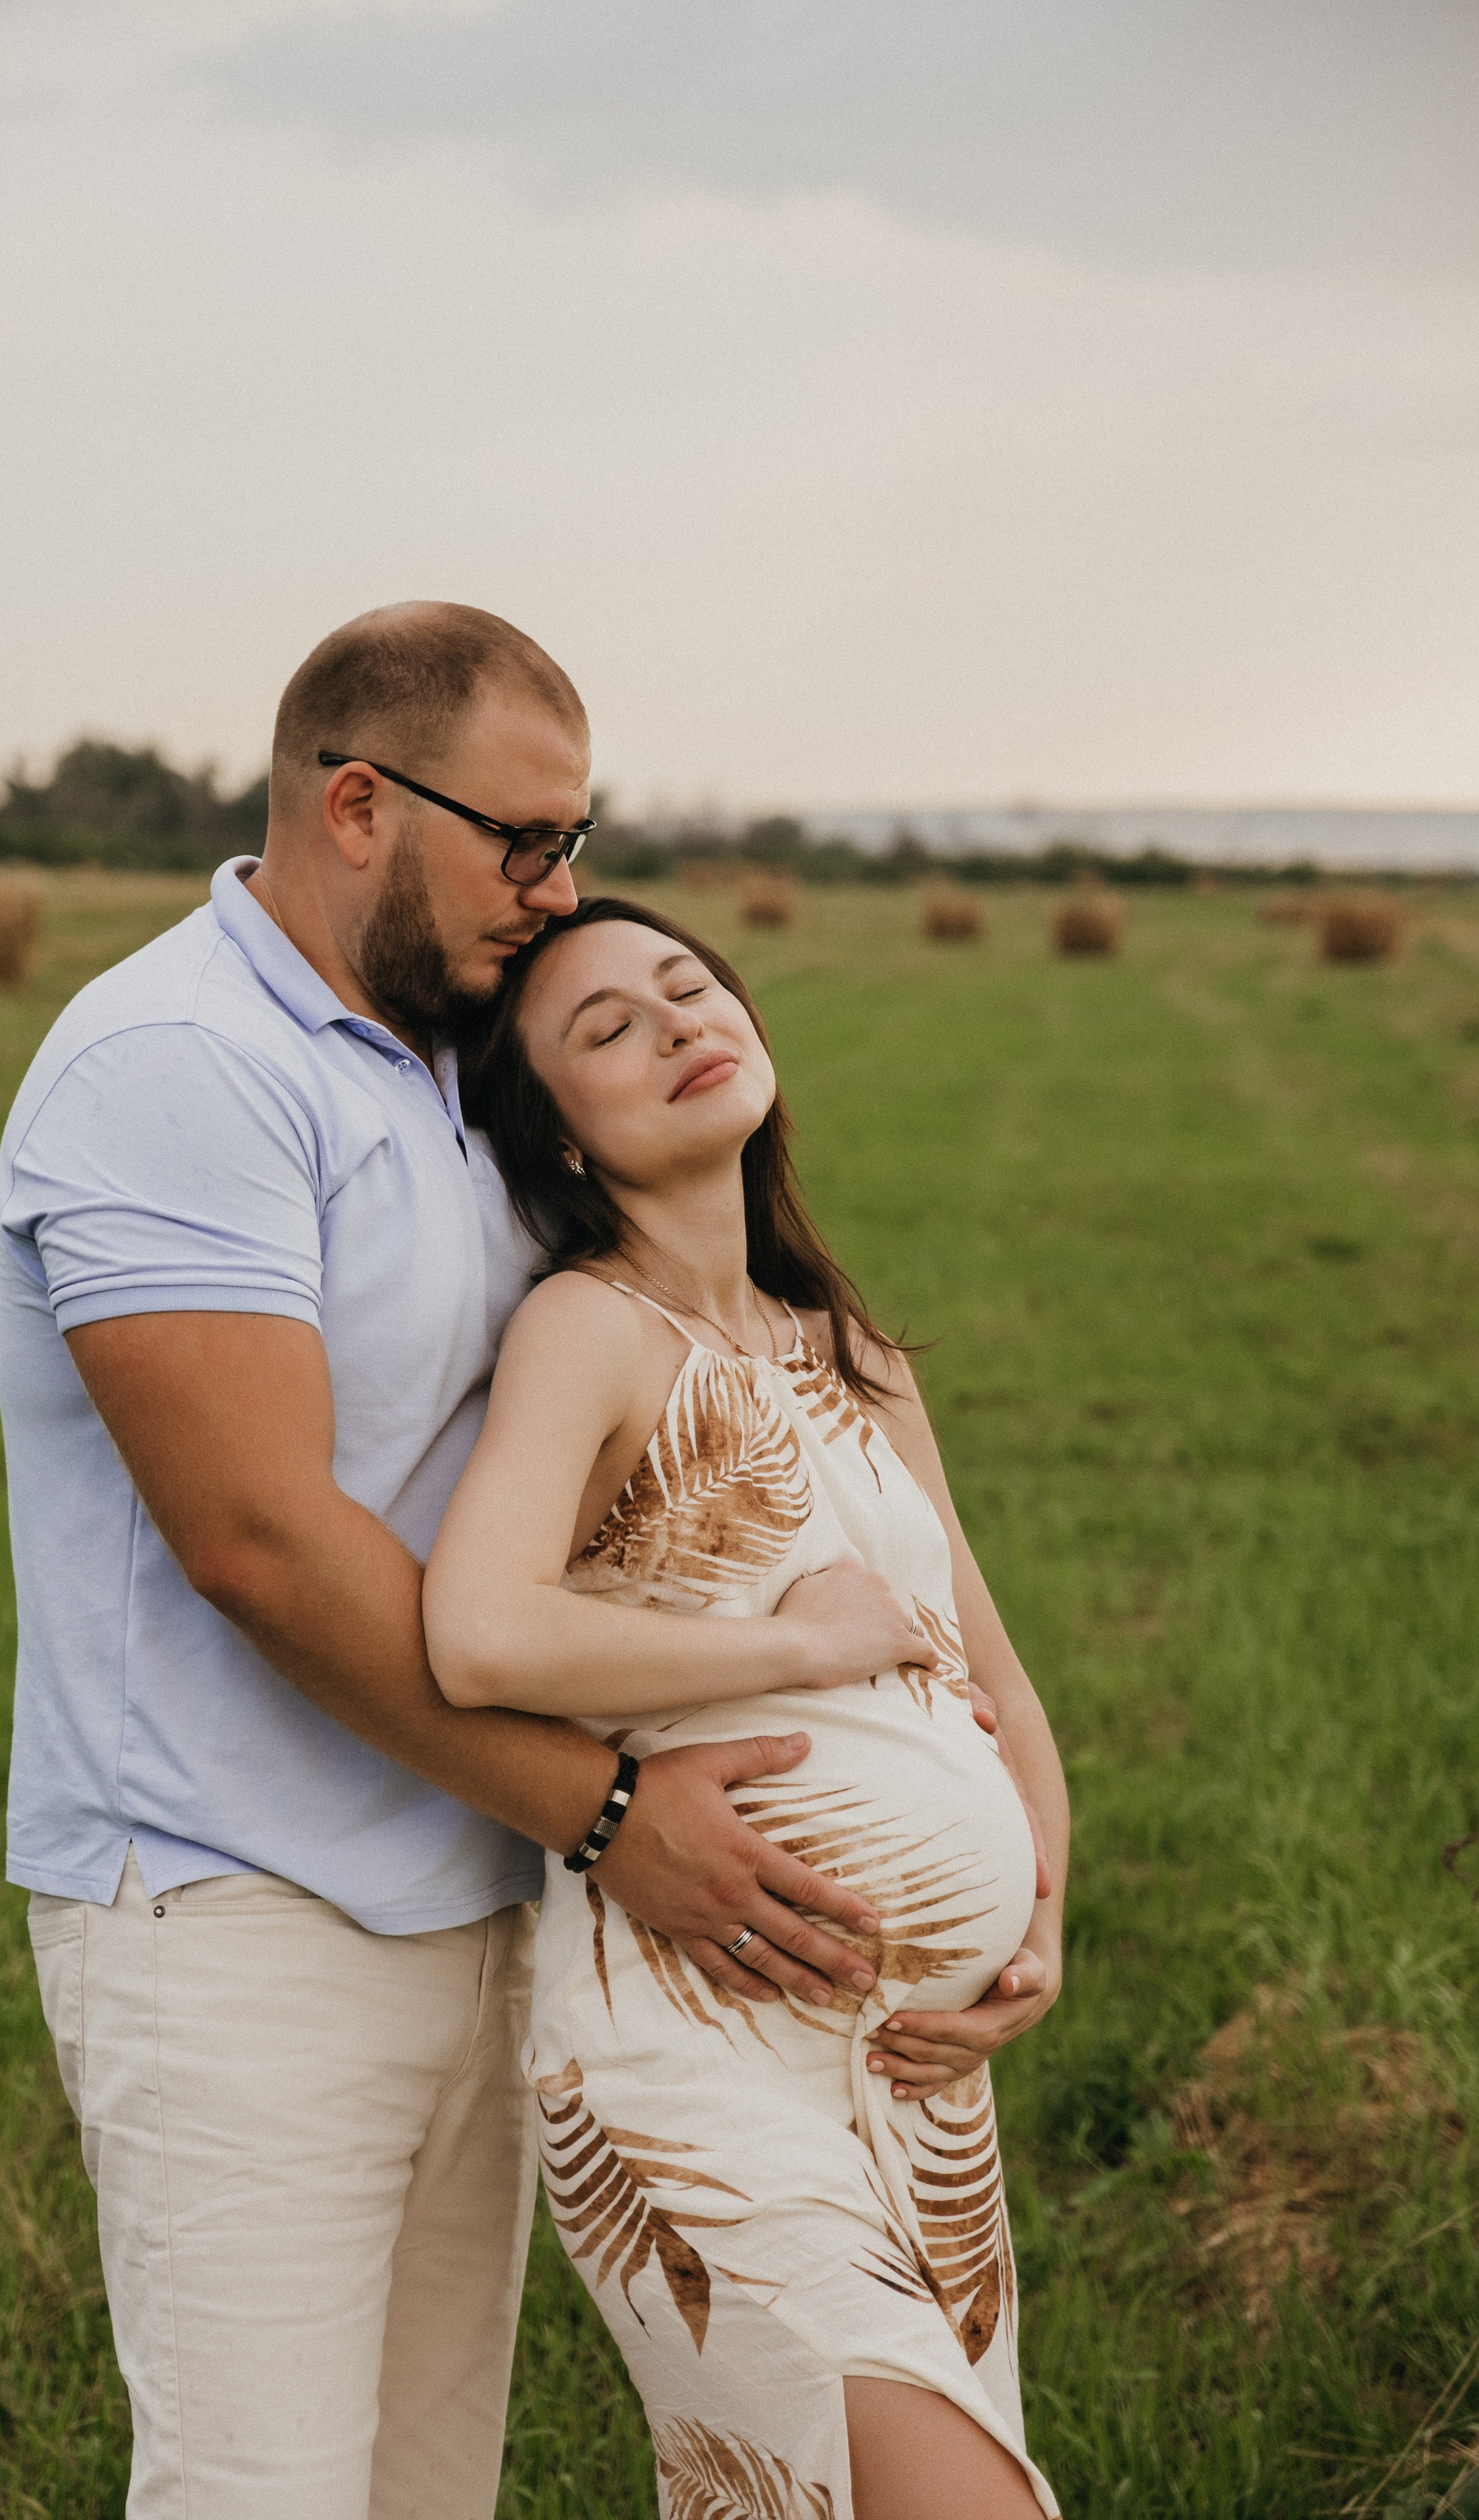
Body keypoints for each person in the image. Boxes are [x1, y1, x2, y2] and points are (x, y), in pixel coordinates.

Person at [0, 603, 1005, 2520]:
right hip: (240, 1918)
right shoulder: (171, 1064)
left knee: (420, 2498)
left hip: (480, 1903)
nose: (557, 893)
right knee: (259, 2497)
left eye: (578, 841)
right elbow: (258, 1542)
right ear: (357, 806)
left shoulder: (452, 1071)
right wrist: (615, 1810)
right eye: (522, 843)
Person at [426, 896, 1070, 2519]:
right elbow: (481, 1630)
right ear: (560, 1138)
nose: (675, 1023)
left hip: (921, 2083)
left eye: (689, 986)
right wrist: (792, 1649)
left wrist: (1036, 1918)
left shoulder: (852, 1348)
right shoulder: (590, 1329)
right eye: (610, 1029)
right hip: (697, 2050)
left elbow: (994, 1678)